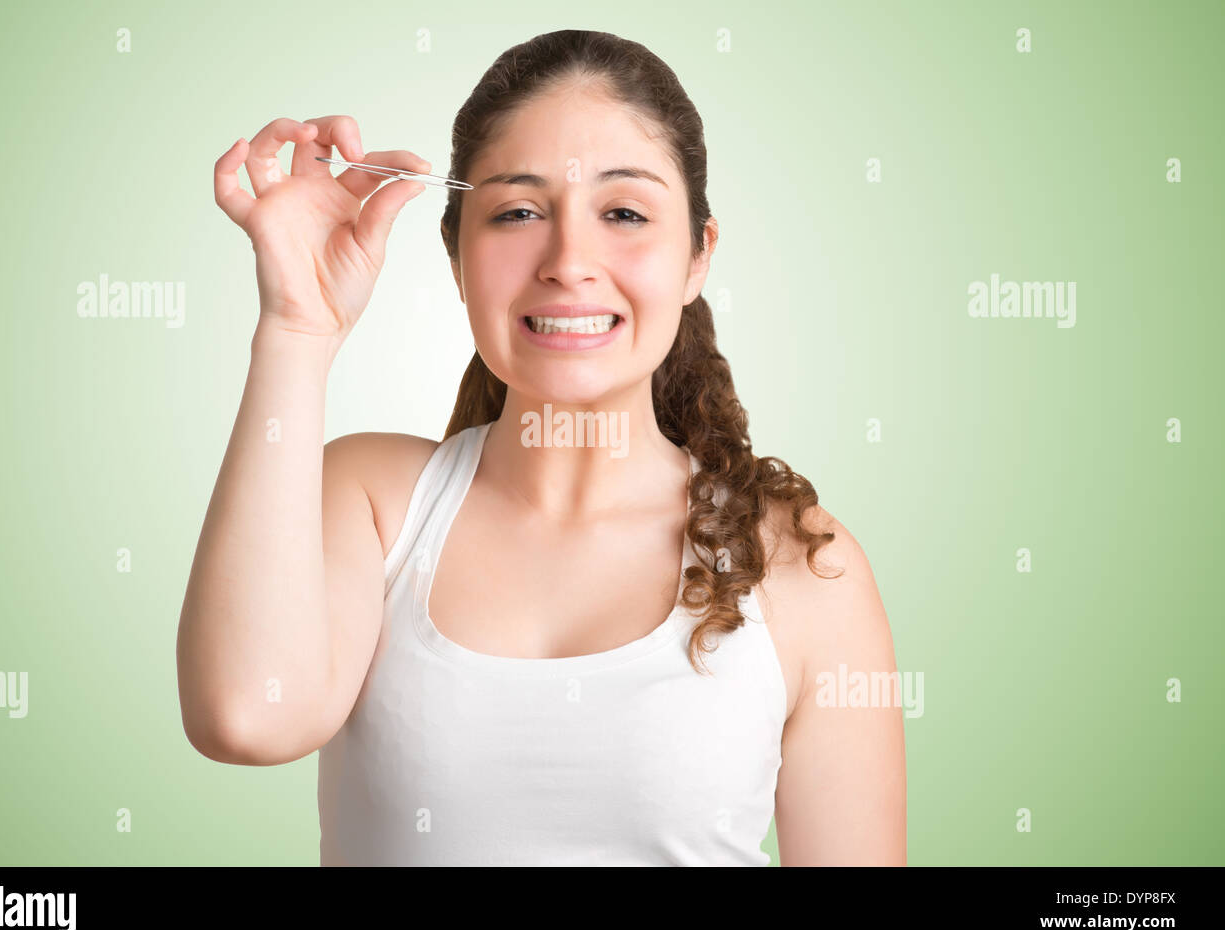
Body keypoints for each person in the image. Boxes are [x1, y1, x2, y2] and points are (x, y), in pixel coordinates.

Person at [179, 29, 905, 866]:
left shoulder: (798, 565)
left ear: (698, 255)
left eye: (625, 213)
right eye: (518, 212)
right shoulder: (375, 501)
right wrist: (297, 328)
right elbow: (246, 716)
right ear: (456, 254)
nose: (569, 262)